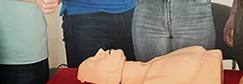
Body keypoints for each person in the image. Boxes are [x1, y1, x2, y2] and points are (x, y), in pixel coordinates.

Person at [77, 46, 223, 84]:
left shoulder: (149, 66)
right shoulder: (151, 79)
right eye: (95, 60)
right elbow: (194, 61)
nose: (101, 52)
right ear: (105, 78)